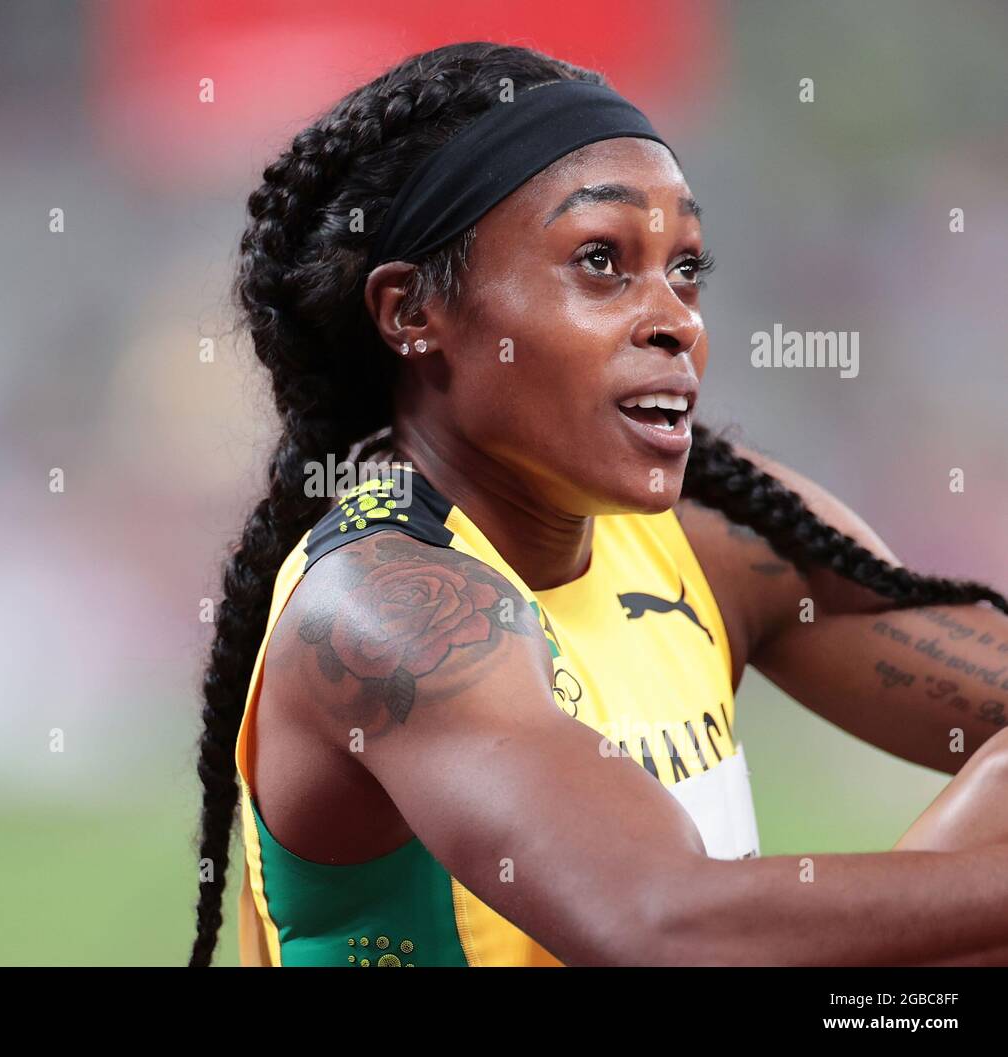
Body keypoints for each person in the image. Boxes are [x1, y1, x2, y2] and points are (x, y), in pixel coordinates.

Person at [189, 41, 1008, 967]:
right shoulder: (388, 608)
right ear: (413, 313)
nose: (676, 320)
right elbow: (659, 926)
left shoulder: (721, 539)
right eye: (601, 261)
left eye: (686, 268)